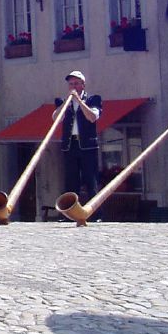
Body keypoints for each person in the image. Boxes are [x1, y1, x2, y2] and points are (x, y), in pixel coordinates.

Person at [56, 70, 103, 222]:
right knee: (71, 181)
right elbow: (56, 119)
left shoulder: (93, 99)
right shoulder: (62, 102)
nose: (73, 86)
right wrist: (67, 102)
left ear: (83, 85)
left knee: (91, 180)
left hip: (88, 146)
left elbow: (92, 117)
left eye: (76, 83)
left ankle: (94, 214)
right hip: (70, 146)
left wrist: (79, 101)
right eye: (71, 84)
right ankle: (70, 214)